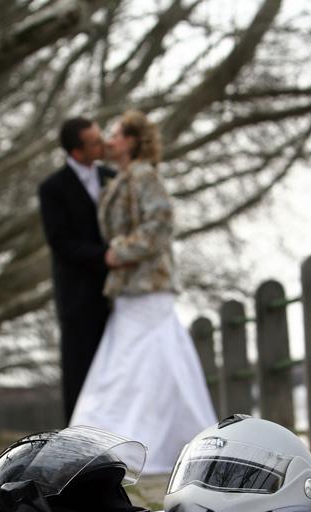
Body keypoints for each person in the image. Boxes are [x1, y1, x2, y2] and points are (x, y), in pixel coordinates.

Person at [70, 110, 217, 474]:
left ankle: (145, 445)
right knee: (130, 367)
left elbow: (160, 224)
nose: (109, 141)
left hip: (148, 286)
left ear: (133, 141)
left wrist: (118, 253)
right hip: (128, 289)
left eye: (116, 134)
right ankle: (119, 443)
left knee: (144, 365)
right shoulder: (120, 179)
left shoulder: (145, 176)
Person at [38, 117, 116, 423]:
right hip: (78, 295)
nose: (103, 144)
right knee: (79, 370)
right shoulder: (52, 188)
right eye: (95, 142)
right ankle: (77, 435)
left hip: (117, 291)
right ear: (76, 151)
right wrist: (105, 257)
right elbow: (60, 242)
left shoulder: (112, 177)